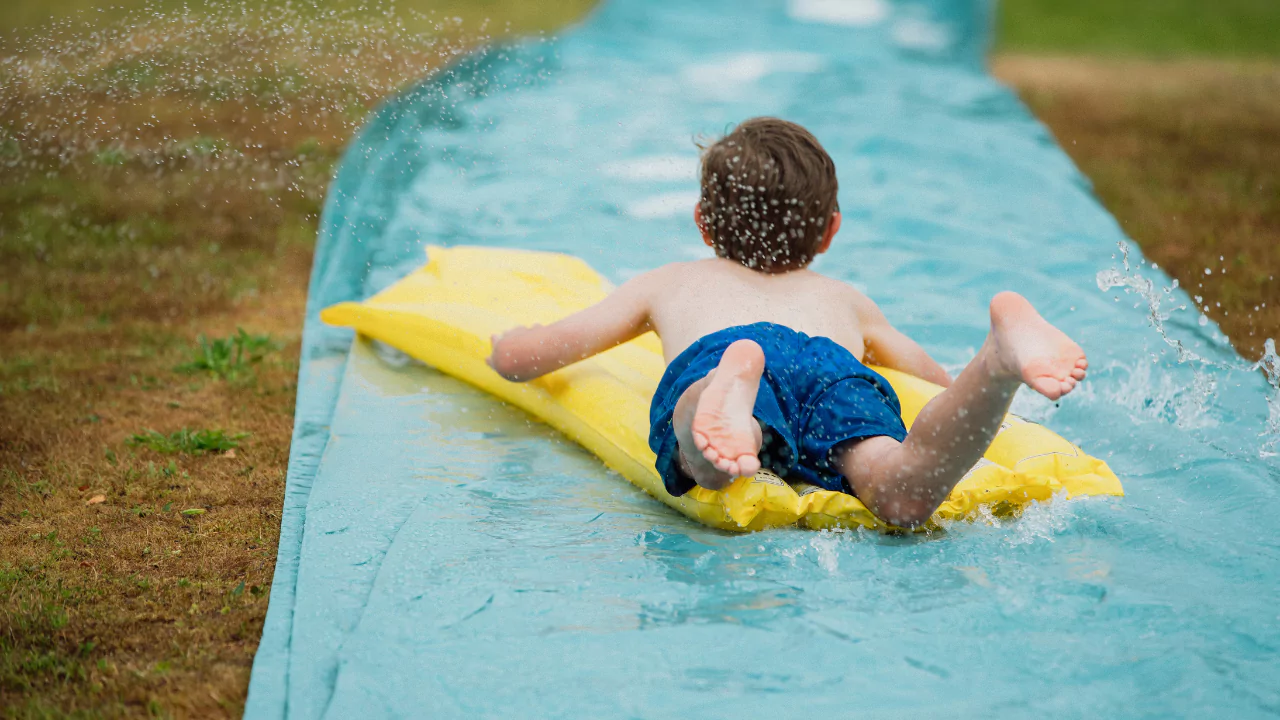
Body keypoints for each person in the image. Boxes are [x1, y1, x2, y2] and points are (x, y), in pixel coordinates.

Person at [486, 117, 1086, 528]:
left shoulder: (672, 282)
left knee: (711, 465)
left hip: (723, 349)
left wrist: (507, 349)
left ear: (702, 222)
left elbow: (539, 355)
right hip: (829, 364)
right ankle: (998, 361)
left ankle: (722, 398)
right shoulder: (846, 300)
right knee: (897, 494)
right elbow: (931, 381)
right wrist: (966, 385)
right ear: (830, 231)